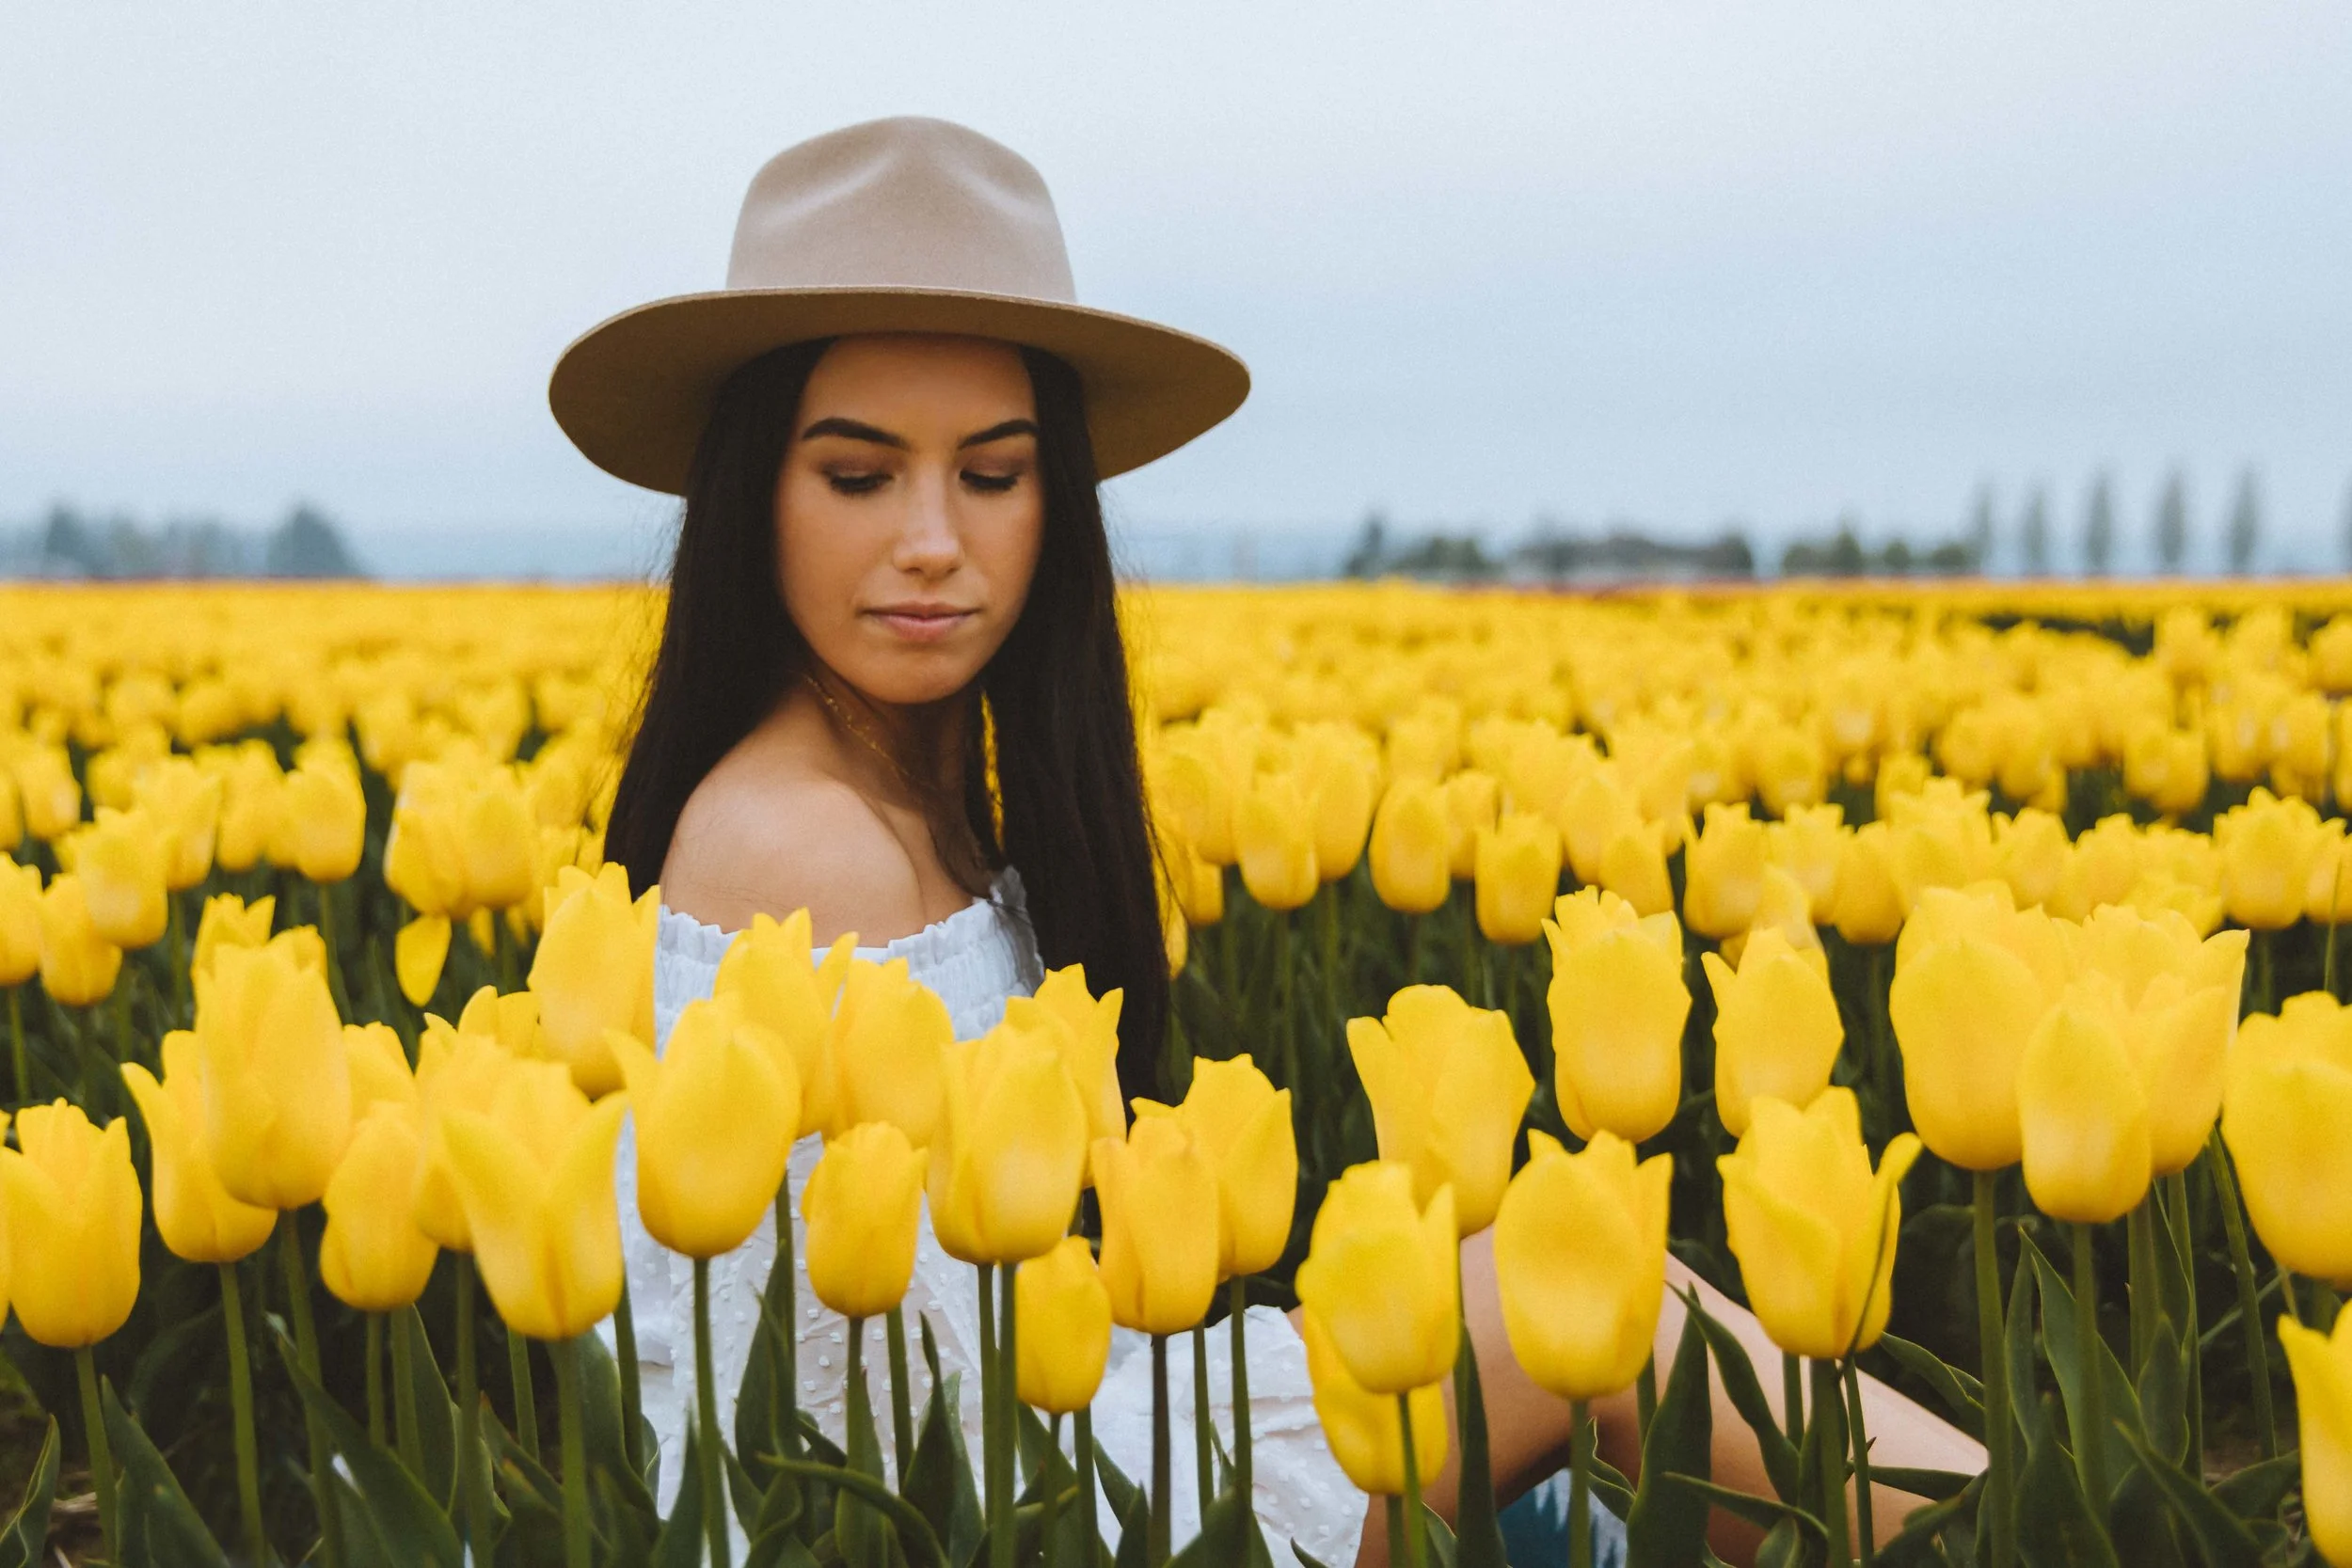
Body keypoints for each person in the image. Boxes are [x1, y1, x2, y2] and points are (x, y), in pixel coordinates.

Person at [558, 116, 1979, 1565]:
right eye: (860, 476)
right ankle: (2047, 1529)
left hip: (1060, 1451)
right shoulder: (798, 841)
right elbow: (861, 1434)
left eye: (992, 474)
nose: (933, 538)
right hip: (993, 1519)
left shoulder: (913, 804)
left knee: (1588, 1277)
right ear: (753, 491)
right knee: (1605, 1289)